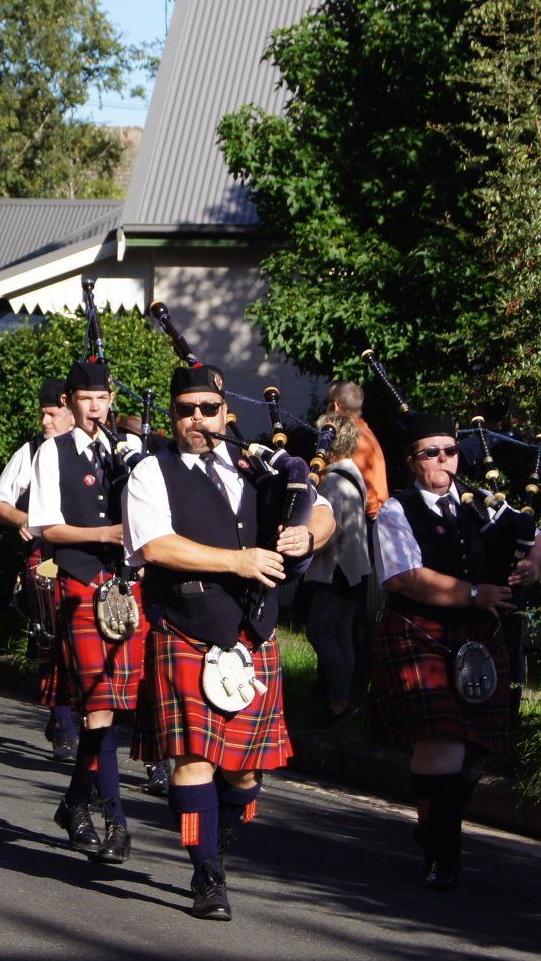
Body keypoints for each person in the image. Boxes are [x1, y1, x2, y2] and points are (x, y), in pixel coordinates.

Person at [125, 362, 333, 919]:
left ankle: (217, 832)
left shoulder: (256, 463)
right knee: (192, 759)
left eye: (208, 409)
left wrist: (306, 532)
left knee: (243, 771)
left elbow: (326, 508)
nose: (198, 419)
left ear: (226, 413)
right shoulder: (152, 471)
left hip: (254, 632)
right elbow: (156, 546)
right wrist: (238, 562)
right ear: (171, 417)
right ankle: (205, 872)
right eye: (185, 411)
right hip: (188, 626)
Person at [367, 409, 541, 892]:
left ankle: (432, 824)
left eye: (451, 451)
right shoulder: (396, 510)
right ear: (413, 461)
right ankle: (443, 853)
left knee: (478, 750)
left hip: (481, 639)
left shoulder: (481, 504)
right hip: (421, 631)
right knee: (442, 743)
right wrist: (473, 594)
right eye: (433, 453)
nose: (445, 461)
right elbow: (406, 577)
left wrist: (532, 566)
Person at [27, 356, 146, 863]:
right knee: (98, 706)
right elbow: (47, 527)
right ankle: (116, 820)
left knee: (116, 707)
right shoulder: (52, 453)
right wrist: (105, 534)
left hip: (127, 586)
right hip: (79, 584)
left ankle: (74, 803)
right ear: (69, 404)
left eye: (103, 398)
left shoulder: (132, 451)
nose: (96, 407)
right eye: (85, 399)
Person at [0, 378, 77, 760]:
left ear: (71, 411)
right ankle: (63, 721)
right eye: (42, 413)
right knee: (52, 633)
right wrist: (21, 516)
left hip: (96, 559)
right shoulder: (33, 450)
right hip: (51, 559)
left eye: (52, 413)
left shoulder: (106, 449)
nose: (45, 421)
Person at [305, 412, 374, 724]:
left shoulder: (332, 482)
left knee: (319, 631)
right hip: (357, 570)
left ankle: (338, 698)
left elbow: (328, 531)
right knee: (342, 633)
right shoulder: (354, 474)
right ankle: (346, 694)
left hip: (336, 571)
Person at [327, 381, 387, 518]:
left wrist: (371, 514)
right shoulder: (363, 430)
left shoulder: (354, 438)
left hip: (365, 518)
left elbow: (364, 484)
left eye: (327, 402)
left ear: (334, 405)